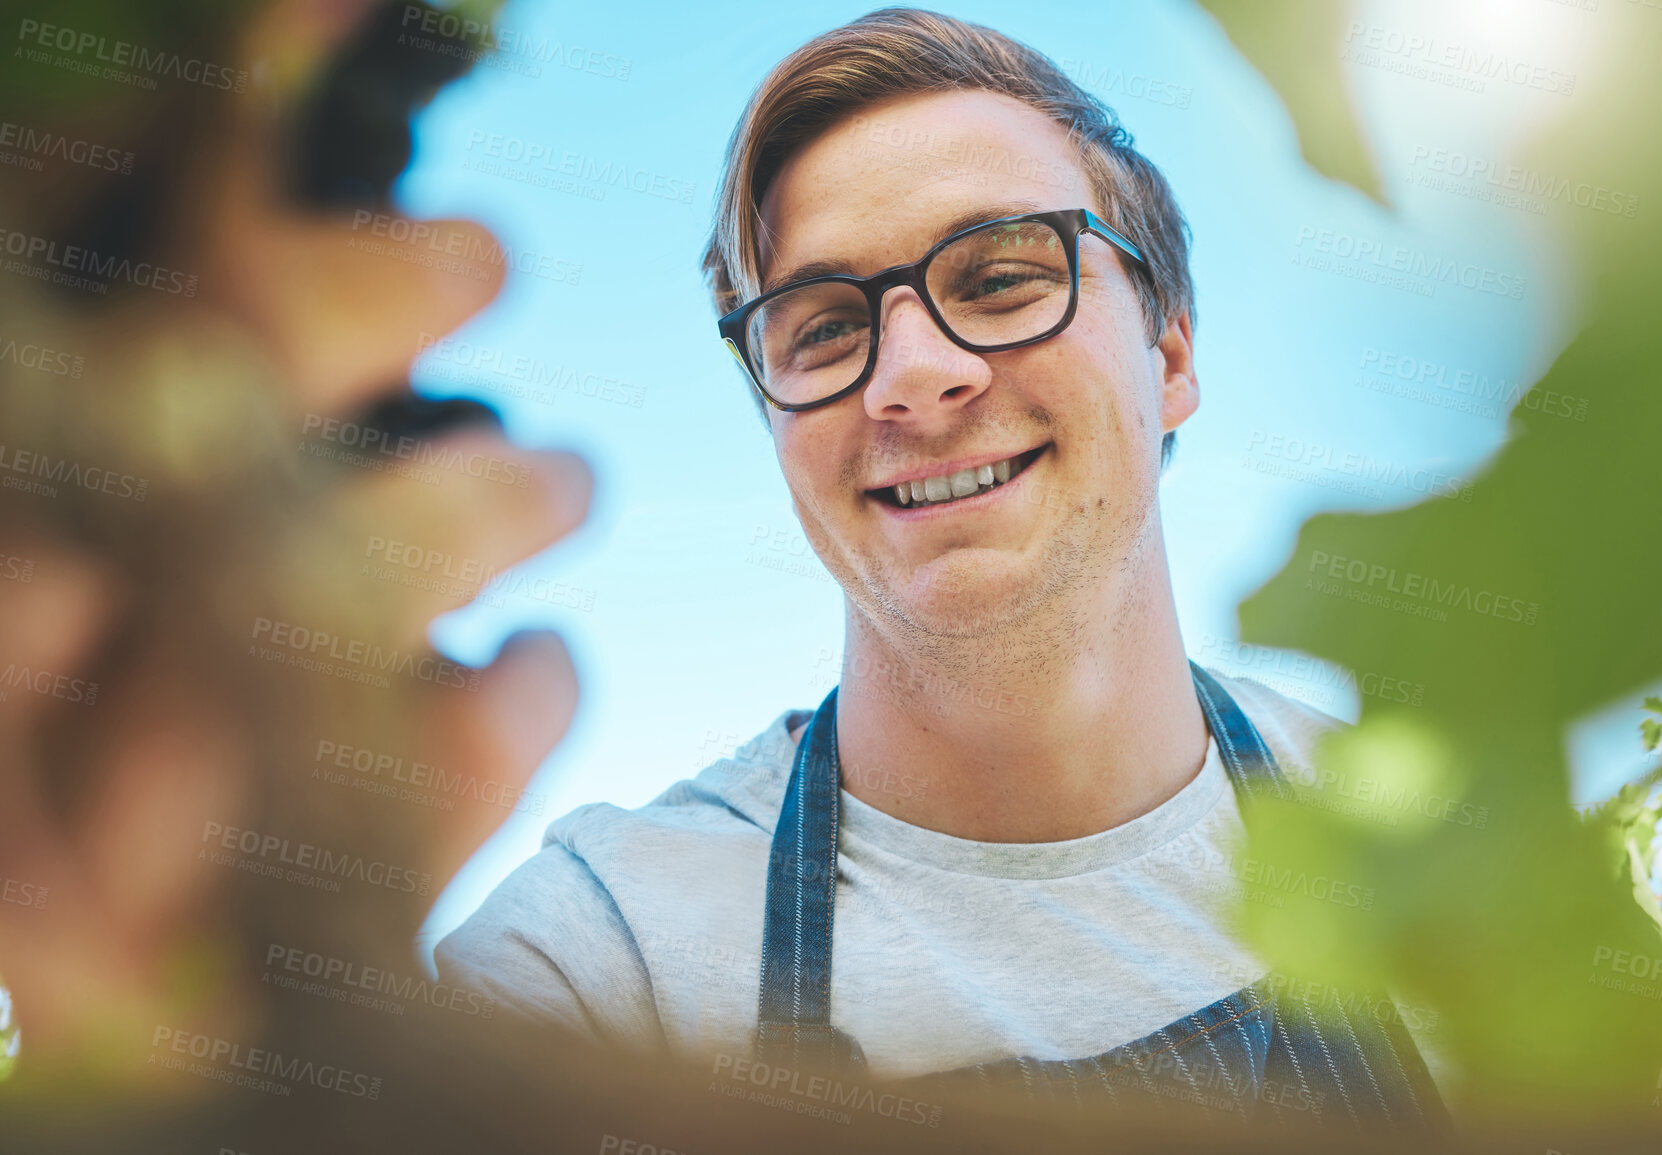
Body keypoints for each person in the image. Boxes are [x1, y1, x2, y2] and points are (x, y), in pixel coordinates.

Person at [438, 7, 1447, 1132]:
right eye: (822, 330)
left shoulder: (1444, 861)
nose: (912, 375)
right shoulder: (604, 966)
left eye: (1004, 277)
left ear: (1169, 358)